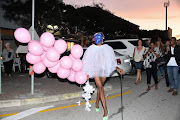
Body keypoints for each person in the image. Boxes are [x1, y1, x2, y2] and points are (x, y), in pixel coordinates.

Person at [82, 33, 123, 120]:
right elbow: (87, 61)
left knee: (100, 89)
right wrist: (87, 73)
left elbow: (111, 60)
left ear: (102, 39)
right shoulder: (91, 49)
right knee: (100, 88)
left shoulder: (107, 48)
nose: (97, 39)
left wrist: (117, 68)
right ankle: (105, 111)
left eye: (99, 37)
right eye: (95, 37)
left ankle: (97, 103)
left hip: (104, 71)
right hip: (95, 71)